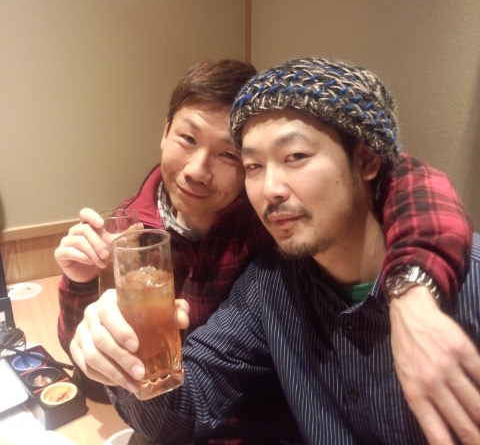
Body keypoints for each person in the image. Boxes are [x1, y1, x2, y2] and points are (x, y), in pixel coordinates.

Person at [64, 58, 478, 444]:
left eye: (295, 156)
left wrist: (411, 289)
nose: (270, 189)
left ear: (367, 161)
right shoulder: (270, 285)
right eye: (253, 166)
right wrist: (128, 362)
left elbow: (412, 177)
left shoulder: (463, 284)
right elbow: (189, 406)